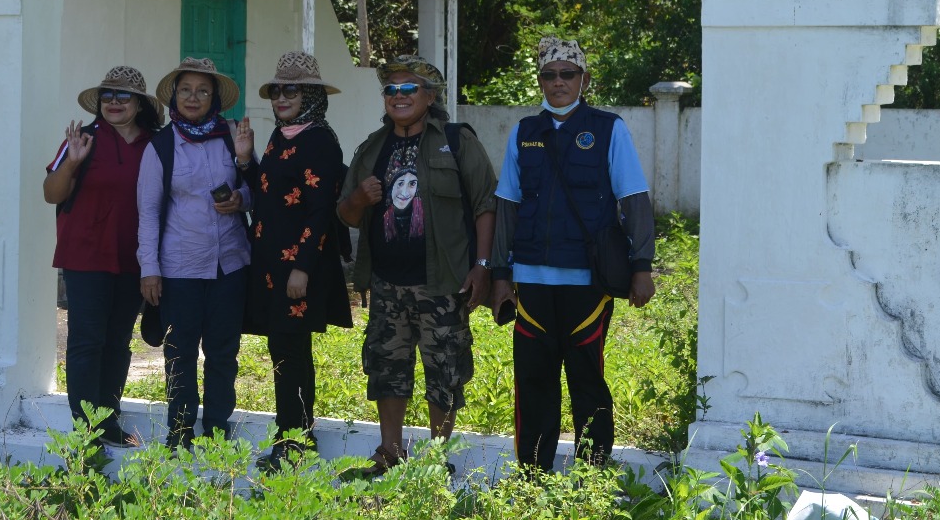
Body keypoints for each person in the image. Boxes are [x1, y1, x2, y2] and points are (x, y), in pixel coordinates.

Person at [489, 37, 656, 472]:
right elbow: (507, 203)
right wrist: (500, 275)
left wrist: (642, 267)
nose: (558, 82)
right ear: (540, 80)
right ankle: (531, 474)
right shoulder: (525, 133)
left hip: (587, 285)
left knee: (587, 383)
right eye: (549, 74)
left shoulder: (608, 128)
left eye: (567, 73)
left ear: (583, 78)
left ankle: (594, 473)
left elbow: (634, 198)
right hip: (531, 285)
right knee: (534, 384)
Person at [336, 54, 497, 476]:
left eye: (409, 88)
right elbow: (346, 214)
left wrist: (482, 266)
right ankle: (390, 453)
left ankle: (433, 461)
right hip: (387, 284)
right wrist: (358, 200)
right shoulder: (372, 147)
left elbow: (486, 204)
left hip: (442, 284)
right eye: (391, 89)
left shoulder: (458, 140)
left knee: (444, 371)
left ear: (430, 94)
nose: (398, 96)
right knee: (387, 369)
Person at [136, 56, 254, 450]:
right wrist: (149, 269)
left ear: (215, 98)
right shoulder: (162, 145)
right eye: (185, 89)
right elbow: (149, 212)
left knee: (223, 352)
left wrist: (241, 197)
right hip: (179, 268)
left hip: (230, 265)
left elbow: (257, 186)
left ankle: (218, 432)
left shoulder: (233, 136)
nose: (193, 97)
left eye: (203, 90)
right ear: (175, 96)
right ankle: (180, 433)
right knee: (180, 352)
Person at [43, 65, 163, 447]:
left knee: (117, 341)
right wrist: (74, 162)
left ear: (139, 104)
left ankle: (108, 422)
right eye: (107, 95)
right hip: (86, 257)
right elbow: (51, 193)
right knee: (86, 341)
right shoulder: (83, 139)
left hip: (135, 260)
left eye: (123, 96)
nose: (113, 102)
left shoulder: (156, 144)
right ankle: (85, 430)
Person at [245, 52, 353, 471]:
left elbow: (319, 209)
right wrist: (244, 161)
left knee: (291, 351)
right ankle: (290, 435)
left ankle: (295, 442)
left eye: (291, 89)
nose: (281, 97)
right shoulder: (280, 136)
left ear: (309, 94)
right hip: (271, 265)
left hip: (297, 268)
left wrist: (302, 267)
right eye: (276, 90)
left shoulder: (319, 140)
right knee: (282, 350)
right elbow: (268, 192)